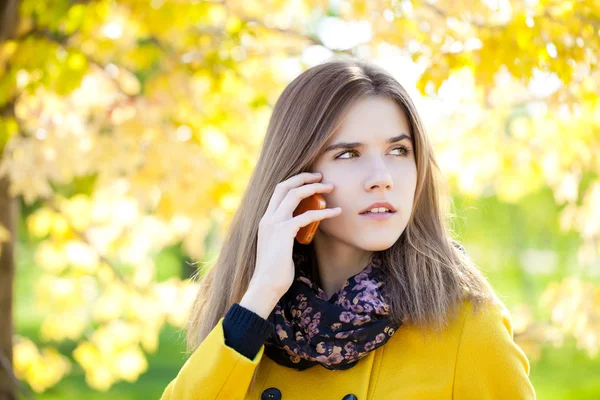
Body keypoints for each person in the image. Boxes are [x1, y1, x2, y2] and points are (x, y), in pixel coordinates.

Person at [161, 57, 536, 400]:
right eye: (348, 154)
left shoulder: (466, 326)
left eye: (398, 151)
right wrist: (261, 294)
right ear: (297, 177)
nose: (381, 178)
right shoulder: (248, 314)